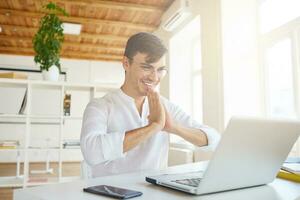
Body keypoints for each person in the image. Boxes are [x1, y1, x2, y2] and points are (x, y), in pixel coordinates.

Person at [80, 32, 220, 178]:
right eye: (146, 67)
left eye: (160, 70)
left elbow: (213, 139)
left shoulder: (165, 105)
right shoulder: (100, 106)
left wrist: (173, 127)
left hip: (155, 192)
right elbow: (92, 152)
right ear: (126, 63)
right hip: (110, 193)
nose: (154, 77)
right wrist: (153, 127)